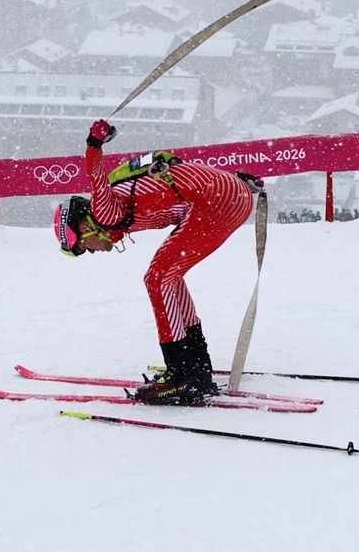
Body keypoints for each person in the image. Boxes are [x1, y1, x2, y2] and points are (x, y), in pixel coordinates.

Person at [54, 118, 258, 404]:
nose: (92, 251)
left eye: (82, 246)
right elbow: (176, 167)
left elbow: (95, 176)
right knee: (169, 277)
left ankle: (183, 375)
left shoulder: (104, 213)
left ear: (85, 226)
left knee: (157, 278)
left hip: (215, 201)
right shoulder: (122, 197)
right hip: (232, 195)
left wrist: (93, 144)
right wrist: (237, 182)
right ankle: (197, 367)